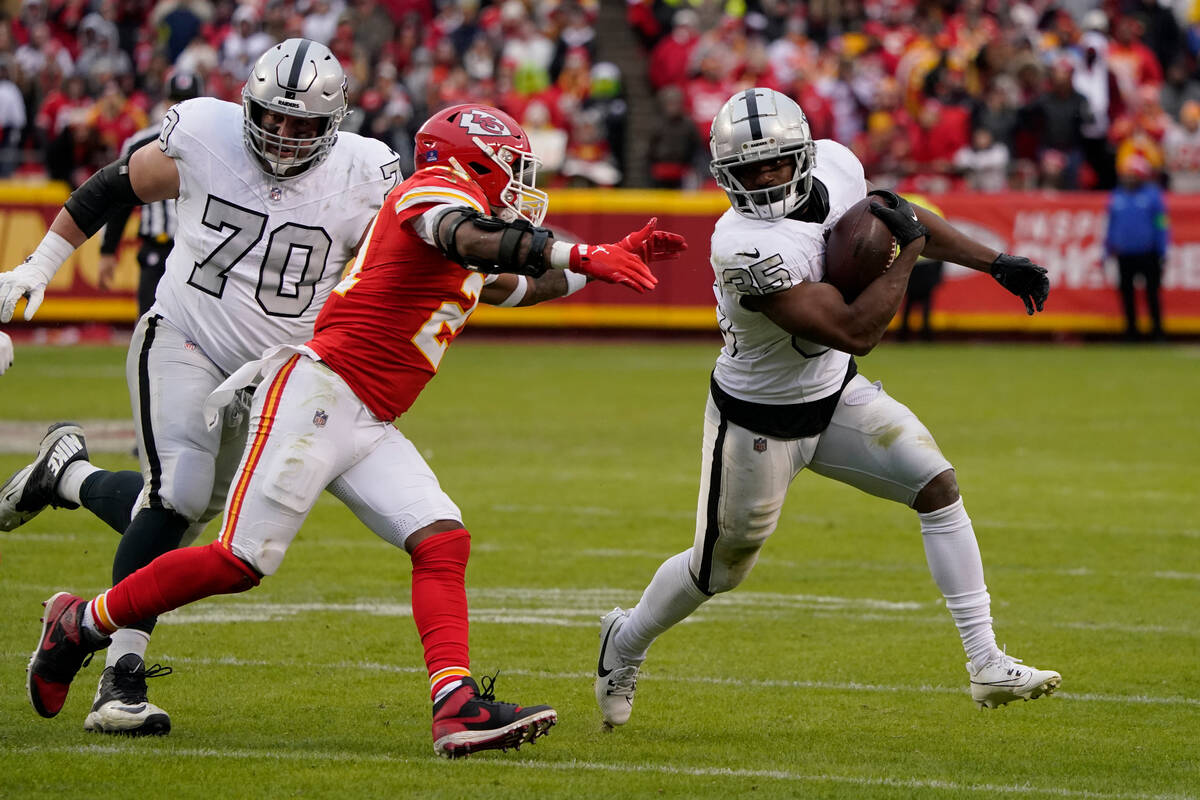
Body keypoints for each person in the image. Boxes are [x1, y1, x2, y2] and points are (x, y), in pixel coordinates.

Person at [22, 102, 679, 758]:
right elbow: (469, 240)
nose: (518, 180)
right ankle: (80, 625)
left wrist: (599, 260)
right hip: (322, 394)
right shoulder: (434, 194)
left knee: (442, 539)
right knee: (238, 560)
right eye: (510, 166)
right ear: (471, 161)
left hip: (367, 415)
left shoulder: (464, 221)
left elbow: (516, 281)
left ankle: (454, 705)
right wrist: (585, 252)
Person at [593, 88, 1060, 730]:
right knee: (717, 569)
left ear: (805, 155)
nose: (761, 180)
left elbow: (899, 213)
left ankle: (985, 663)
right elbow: (853, 329)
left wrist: (993, 261)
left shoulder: (839, 165)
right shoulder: (742, 243)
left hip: (835, 393)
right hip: (759, 419)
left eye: (774, 164)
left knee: (938, 487)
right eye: (747, 170)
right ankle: (625, 640)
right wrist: (911, 254)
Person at [0, 39, 405, 737]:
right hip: (185, 335)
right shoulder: (207, 132)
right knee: (179, 493)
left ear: (332, 126)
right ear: (247, 105)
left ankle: (65, 475)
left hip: (275, 373)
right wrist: (38, 263)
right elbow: (113, 185)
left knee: (191, 525)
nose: (281, 135)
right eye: (272, 117)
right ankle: (118, 681)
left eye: (302, 124)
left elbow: (406, 261)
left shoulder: (365, 173)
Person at [96, 71, 204, 318]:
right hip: (158, 245)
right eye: (176, 100)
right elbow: (121, 197)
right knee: (148, 324)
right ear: (165, 103)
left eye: (187, 100)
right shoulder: (141, 143)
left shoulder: (215, 144)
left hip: (200, 251)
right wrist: (108, 250)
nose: (181, 107)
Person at [1104, 153, 1169, 341]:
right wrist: (1107, 249)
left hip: (1149, 253)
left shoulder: (1152, 196)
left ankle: (1157, 332)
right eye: (1127, 174)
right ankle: (1131, 332)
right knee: (1127, 295)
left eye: (1133, 174)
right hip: (1124, 254)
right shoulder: (1117, 195)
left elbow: (1161, 224)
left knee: (1152, 294)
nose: (1129, 178)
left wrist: (1162, 249)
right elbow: (1111, 225)